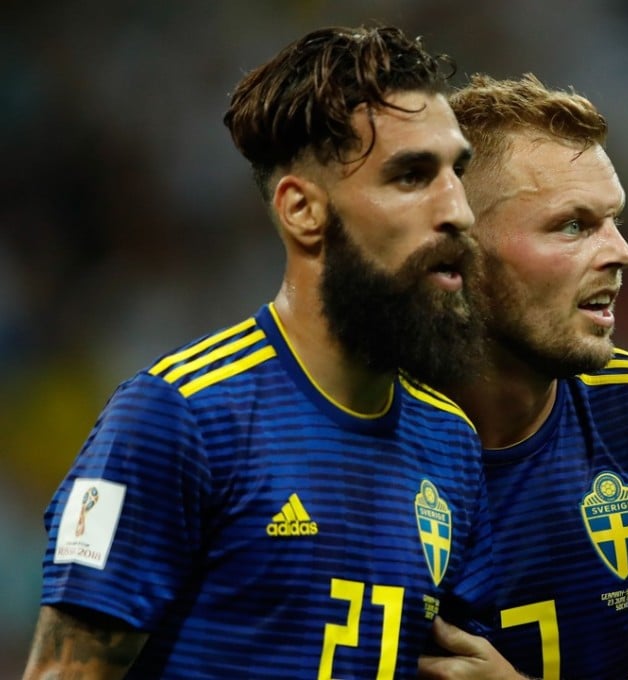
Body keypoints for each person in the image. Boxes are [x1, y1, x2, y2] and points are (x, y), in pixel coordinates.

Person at [21, 25, 495, 679]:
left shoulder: (451, 443)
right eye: (412, 176)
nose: (458, 211)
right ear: (302, 210)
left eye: (457, 173)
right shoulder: (178, 419)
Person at [418, 74, 628, 679]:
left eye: (613, 220)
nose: (622, 252)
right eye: (572, 225)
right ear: (458, 251)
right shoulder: (351, 427)